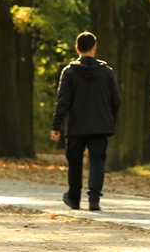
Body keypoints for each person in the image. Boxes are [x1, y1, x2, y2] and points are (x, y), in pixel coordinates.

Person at [51, 31, 121, 212]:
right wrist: (110, 119)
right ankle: (94, 198)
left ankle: (74, 198)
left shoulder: (69, 72)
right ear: (95, 47)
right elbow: (116, 101)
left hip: (76, 126)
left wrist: (56, 124)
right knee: (97, 162)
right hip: (100, 125)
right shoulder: (107, 72)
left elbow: (63, 100)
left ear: (77, 48)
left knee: (75, 162)